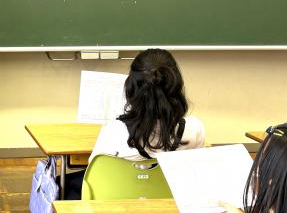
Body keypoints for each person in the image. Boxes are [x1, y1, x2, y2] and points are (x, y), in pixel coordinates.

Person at [64, 49, 205, 199]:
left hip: (119, 208)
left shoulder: (114, 131)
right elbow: (197, 177)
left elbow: (94, 176)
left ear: (131, 88)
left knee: (68, 182)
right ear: (176, 86)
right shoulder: (195, 129)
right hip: (171, 207)